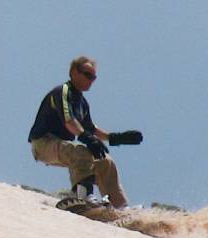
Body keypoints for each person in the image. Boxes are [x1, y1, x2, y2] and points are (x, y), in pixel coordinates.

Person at [27, 56, 143, 208]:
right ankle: (83, 196)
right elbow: (69, 121)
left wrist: (115, 138)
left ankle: (120, 207)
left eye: (93, 77)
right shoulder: (63, 91)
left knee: (106, 162)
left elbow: (90, 128)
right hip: (43, 143)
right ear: (74, 72)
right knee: (81, 151)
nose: (91, 81)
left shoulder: (82, 103)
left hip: (61, 146)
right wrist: (87, 138)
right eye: (88, 75)